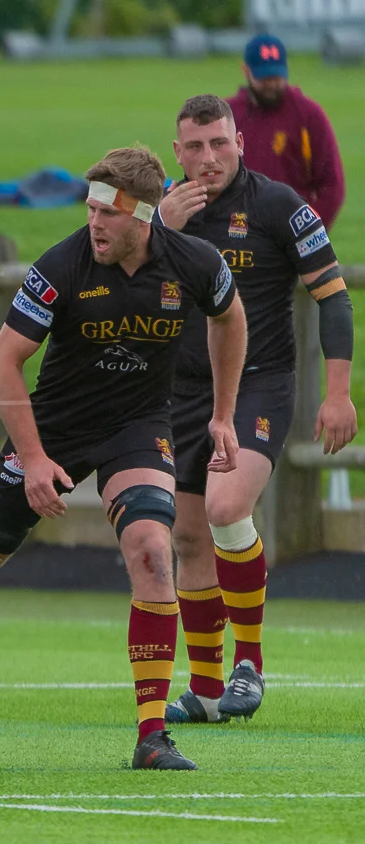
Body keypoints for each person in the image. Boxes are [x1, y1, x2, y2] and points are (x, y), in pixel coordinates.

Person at [0, 147, 248, 770]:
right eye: (89, 208)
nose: (95, 223)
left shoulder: (195, 263)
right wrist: (31, 459)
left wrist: (221, 414)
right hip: (51, 429)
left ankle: (151, 736)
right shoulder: (61, 265)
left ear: (143, 217)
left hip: (138, 428)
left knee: (152, 553)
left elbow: (230, 319)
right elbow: (3, 363)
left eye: (108, 214)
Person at [156, 94, 354, 724]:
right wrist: (160, 228)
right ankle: (209, 690)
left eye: (219, 143)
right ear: (177, 151)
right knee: (187, 536)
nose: (208, 158)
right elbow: (105, 269)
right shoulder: (164, 207)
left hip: (258, 387)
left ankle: (250, 666)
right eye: (195, 146)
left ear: (239, 140)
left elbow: (335, 297)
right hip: (179, 391)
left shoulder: (278, 206)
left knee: (224, 506)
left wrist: (339, 393)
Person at [226, 34, 345, 230]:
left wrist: (309, 231)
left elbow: (332, 185)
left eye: (277, 76)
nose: (272, 85)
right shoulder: (228, 115)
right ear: (245, 70)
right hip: (238, 230)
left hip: (291, 229)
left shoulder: (308, 115)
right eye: (265, 78)